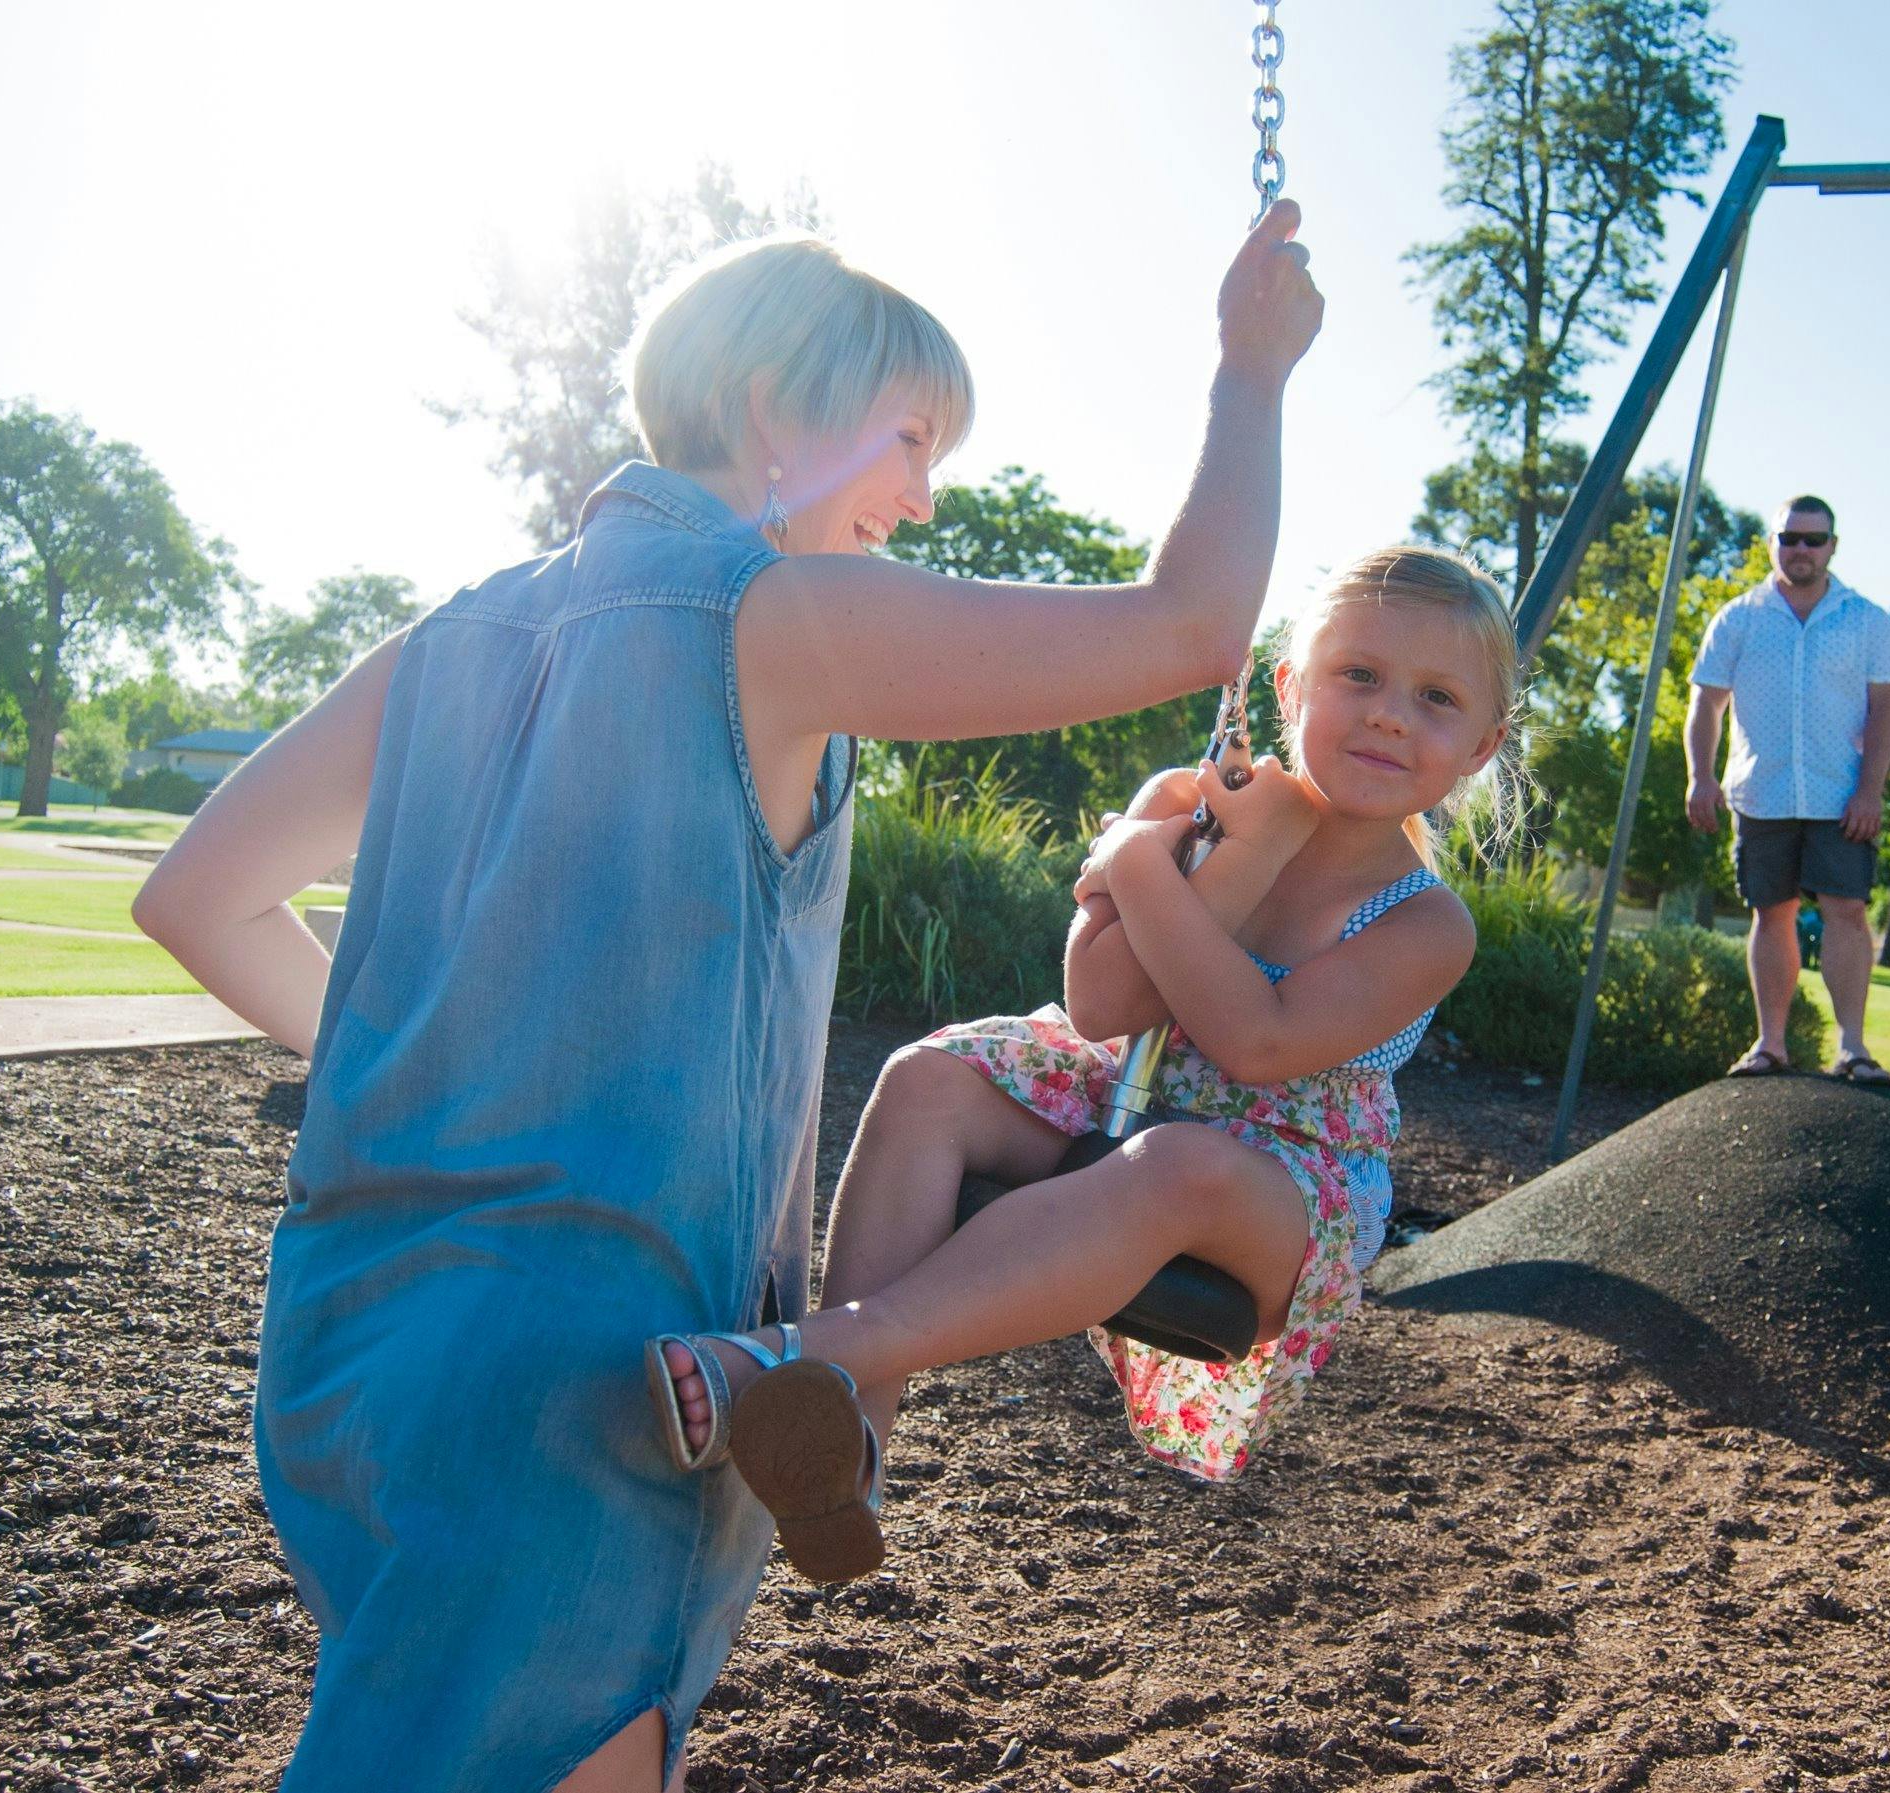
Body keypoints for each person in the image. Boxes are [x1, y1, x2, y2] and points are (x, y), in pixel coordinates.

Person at [132, 208, 1325, 1792]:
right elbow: (1189, 624)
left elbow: (194, 898)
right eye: (910, 436)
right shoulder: (769, 621)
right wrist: (1251, 369)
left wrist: (430, 1065)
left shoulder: (443, 641)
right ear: (774, 407)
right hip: (584, 1368)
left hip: (346, 1346)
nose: (923, 494)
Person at [654, 547, 1520, 1494]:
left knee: (1178, 1163)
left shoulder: (1425, 923)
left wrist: (1141, 862)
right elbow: (1103, 1005)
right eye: (1359, 674)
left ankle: (811, 1353)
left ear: (1483, 746)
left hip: (1279, 1190)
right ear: (1290, 685)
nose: (1390, 713)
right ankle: (844, 1447)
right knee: (927, 1080)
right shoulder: (1190, 803)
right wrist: (1224, 850)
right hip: (1127, 1094)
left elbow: (1257, 1041)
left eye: (1438, 698)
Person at [1684, 497, 1890, 1081]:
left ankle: (1852, 1047)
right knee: (1770, 912)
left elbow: (1886, 709)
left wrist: (1871, 790)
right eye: (1789, 538)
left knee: (1847, 911)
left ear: (1833, 546)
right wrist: (1700, 776)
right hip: (1762, 791)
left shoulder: (1867, 620)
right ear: (1772, 543)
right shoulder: (1737, 618)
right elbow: (1705, 702)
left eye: (1813, 539)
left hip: (1842, 795)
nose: (1801, 549)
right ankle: (1771, 1044)